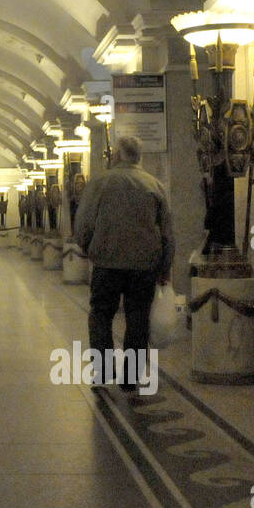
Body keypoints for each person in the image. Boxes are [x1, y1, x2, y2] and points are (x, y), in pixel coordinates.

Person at [71, 136, 175, 391]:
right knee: (138, 318)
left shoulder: (100, 183)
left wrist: (88, 248)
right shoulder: (155, 186)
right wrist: (164, 268)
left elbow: (83, 223)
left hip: (107, 264)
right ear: (138, 157)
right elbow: (167, 233)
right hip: (143, 267)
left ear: (116, 155)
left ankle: (104, 371)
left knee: (101, 315)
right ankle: (131, 377)